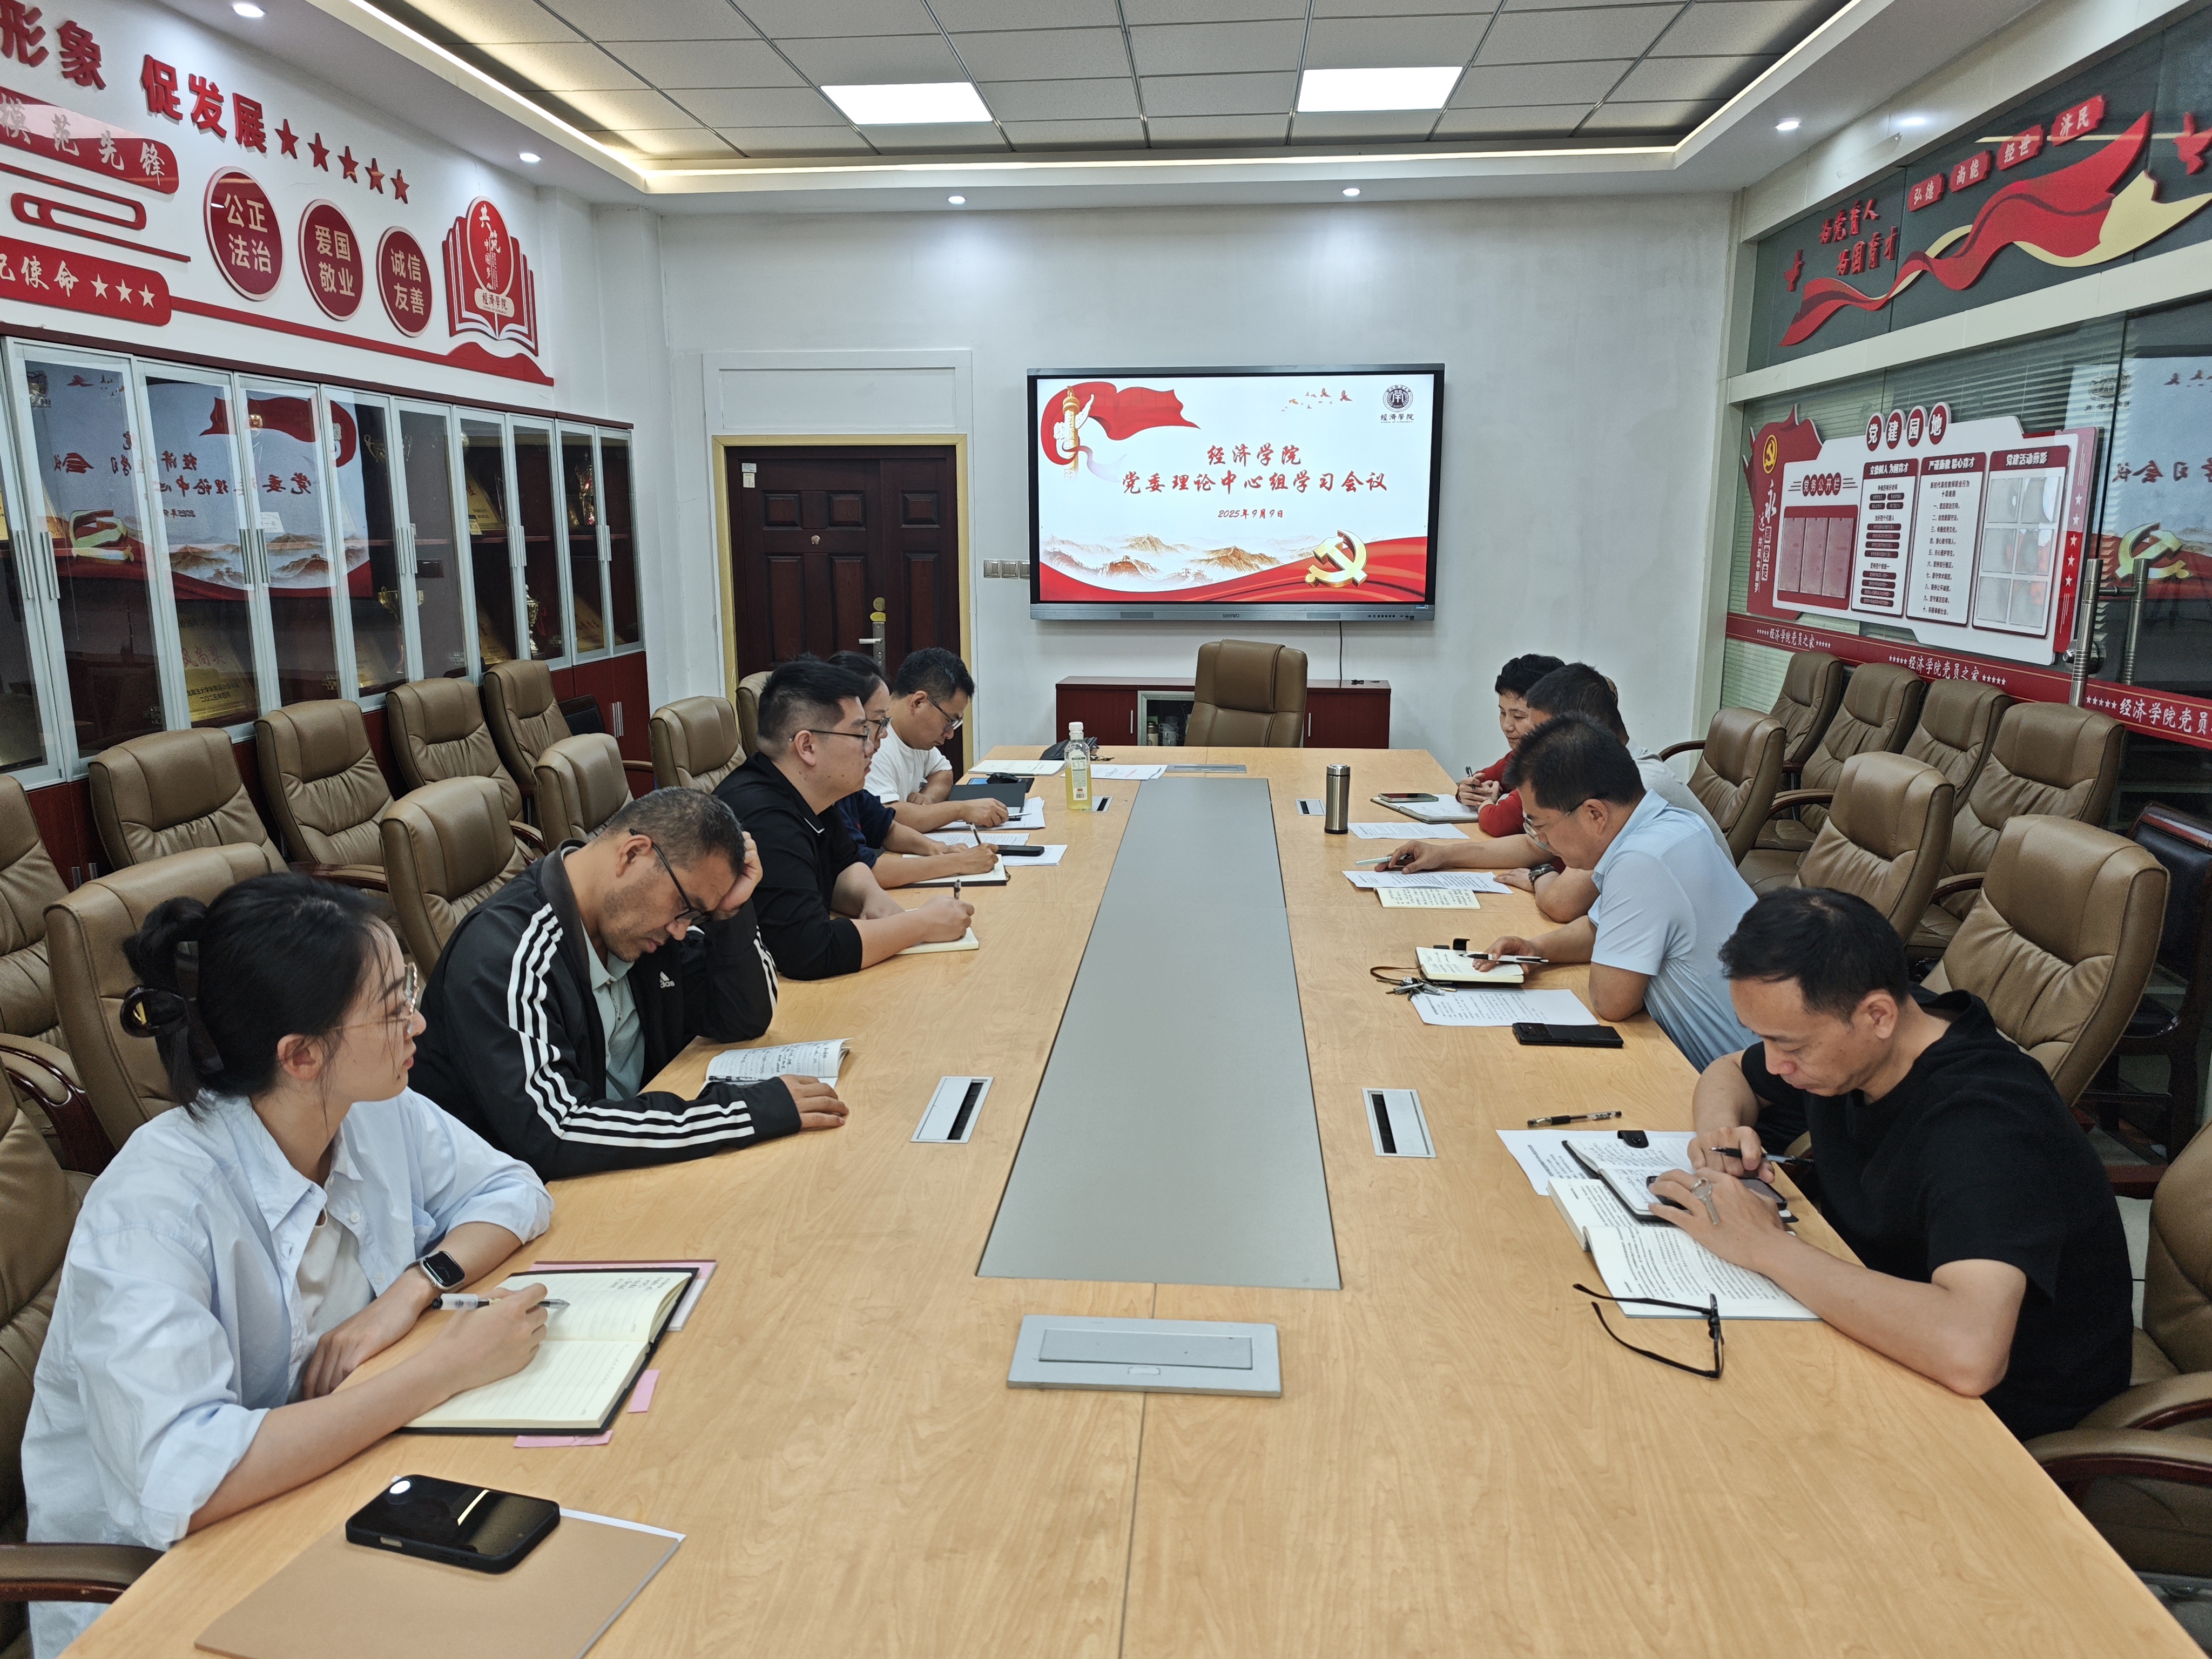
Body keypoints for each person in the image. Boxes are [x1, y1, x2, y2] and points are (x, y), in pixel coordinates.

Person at [24, 875, 555, 1657]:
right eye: (393, 1007)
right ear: (302, 1055)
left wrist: (413, 1289)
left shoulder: (368, 1105)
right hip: (163, 1591)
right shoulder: (157, 1206)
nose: (418, 1022)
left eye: (408, 990)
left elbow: (513, 1190)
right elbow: (185, 1480)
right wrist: (441, 1370)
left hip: (325, 1499)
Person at [1655, 887, 2130, 1441]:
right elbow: (1730, 1071)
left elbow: (1969, 1352)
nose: (1777, 1064)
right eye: (1765, 1039)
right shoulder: (1867, 1033)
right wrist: (1720, 1135)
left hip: (2000, 1418)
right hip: (1877, 1322)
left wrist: (1765, 1247)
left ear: (1878, 1014)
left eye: (1791, 1046)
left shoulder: (1985, 1125)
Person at [410, 785, 849, 1178]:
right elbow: (558, 1132)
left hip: (616, 1177)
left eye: (696, 915)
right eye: (685, 907)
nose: (682, 930)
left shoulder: (640, 925)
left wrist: (731, 913)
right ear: (633, 854)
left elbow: (743, 1018)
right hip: (519, 1208)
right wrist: (743, 1113)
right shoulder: (505, 955)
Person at [1477, 712, 1757, 1069]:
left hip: (1754, 1083)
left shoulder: (1642, 861)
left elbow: (1611, 1001)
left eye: (1541, 825)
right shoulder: (1670, 824)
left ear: (1595, 814)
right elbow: (1602, 928)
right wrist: (1537, 949)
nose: (1541, 840)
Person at [1384, 662, 1727, 926]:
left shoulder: (1635, 787)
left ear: (1581, 730)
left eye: (1543, 735)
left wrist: (1540, 876)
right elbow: (1536, 846)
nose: (1533, 747)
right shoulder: (1603, 773)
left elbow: (1563, 902)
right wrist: (1443, 855)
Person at [717, 657, 974, 977]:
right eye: (860, 733)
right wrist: (921, 923)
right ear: (808, 746)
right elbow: (810, 951)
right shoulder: (765, 819)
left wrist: (873, 898)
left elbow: (844, 863)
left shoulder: (814, 792)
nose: (872, 746)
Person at [828, 650, 1001, 891]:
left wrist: (937, 849)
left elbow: (887, 826)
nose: (881, 735)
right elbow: (865, 871)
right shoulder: (825, 790)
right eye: (874, 724)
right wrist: (956, 862)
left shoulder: (847, 792)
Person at [867, 646, 1009, 833]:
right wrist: (962, 810)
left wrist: (928, 800)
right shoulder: (874, 745)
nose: (950, 734)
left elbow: (943, 772)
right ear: (918, 702)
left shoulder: (914, 738)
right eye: (949, 721)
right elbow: (888, 817)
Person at [1454, 652, 1563, 831]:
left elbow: (1498, 823)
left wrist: (1486, 802)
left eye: (1519, 717)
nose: (1507, 726)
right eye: (1502, 713)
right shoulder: (1524, 753)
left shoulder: (1555, 763)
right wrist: (1469, 791)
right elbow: (1485, 777)